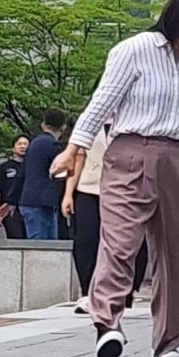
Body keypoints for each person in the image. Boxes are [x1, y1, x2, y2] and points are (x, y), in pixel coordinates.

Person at [51, 0, 179, 357]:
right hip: (129, 151)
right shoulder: (134, 50)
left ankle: (168, 339)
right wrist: (73, 149)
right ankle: (107, 324)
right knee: (120, 242)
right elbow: (101, 104)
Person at [63, 124, 150, 317]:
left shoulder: (135, 120)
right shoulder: (90, 121)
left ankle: (127, 291)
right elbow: (77, 158)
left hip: (126, 188)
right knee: (86, 238)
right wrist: (68, 193)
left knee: (129, 241)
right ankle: (88, 292)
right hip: (89, 187)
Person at [19, 108, 68, 240]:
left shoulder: (33, 144)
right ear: (63, 127)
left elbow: (22, 173)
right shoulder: (54, 146)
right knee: (45, 248)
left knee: (38, 244)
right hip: (44, 202)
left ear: (43, 125)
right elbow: (61, 174)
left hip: (29, 199)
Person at [0, 135, 30, 239]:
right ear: (13, 148)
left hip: (28, 208)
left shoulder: (31, 167)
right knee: (16, 237)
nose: (23, 146)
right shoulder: (4, 167)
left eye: (25, 144)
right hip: (8, 210)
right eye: (19, 144)